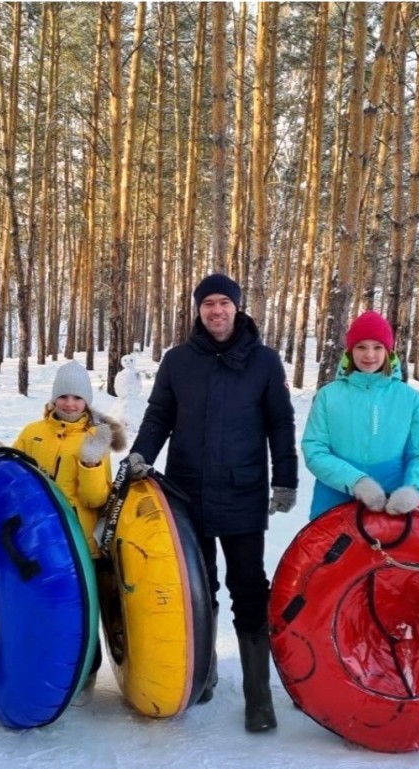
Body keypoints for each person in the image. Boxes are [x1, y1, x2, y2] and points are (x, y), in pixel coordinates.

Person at [127, 273, 297, 733]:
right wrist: (141, 454)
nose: (216, 311)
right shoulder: (178, 361)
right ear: (198, 309)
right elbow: (159, 413)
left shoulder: (263, 361)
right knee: (196, 588)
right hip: (187, 493)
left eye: (224, 302)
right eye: (208, 304)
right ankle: (202, 675)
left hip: (242, 493)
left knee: (248, 589)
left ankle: (258, 697)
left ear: (237, 308)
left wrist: (285, 478)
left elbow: (280, 423)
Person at [0, 360, 125, 687]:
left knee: (82, 612)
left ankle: (86, 672)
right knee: (47, 606)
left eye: (77, 398)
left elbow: (97, 499)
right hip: (38, 540)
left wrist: (90, 463)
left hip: (80, 544)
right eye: (63, 397)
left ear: (87, 401)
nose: (70, 404)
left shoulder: (96, 438)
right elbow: (16, 473)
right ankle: (47, 670)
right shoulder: (33, 433)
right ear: (54, 399)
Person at [301, 310, 419, 521]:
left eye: (378, 347)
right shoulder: (329, 395)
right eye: (361, 346)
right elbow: (314, 450)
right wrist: (356, 482)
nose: (369, 355)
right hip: (332, 507)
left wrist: (414, 490)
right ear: (350, 351)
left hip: (394, 510)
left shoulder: (410, 398)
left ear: (389, 352)